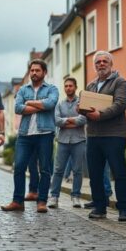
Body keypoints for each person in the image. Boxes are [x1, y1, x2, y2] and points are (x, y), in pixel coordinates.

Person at [2, 59, 59, 213]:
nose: (34, 73)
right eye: (32, 70)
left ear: (44, 72)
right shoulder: (22, 90)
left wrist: (30, 103)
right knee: (19, 167)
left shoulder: (52, 89)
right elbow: (18, 108)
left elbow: (51, 104)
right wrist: (40, 105)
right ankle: (17, 201)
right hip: (25, 135)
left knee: (45, 169)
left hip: (45, 134)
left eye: (37, 70)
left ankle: (42, 201)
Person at [82, 51, 126, 221]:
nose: (101, 64)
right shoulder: (91, 86)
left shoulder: (120, 82)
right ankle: (99, 207)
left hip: (114, 135)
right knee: (95, 174)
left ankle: (124, 208)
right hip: (94, 135)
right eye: (98, 62)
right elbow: (87, 107)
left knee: (119, 172)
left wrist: (100, 115)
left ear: (111, 64)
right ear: (94, 65)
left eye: (105, 61)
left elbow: (120, 104)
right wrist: (81, 110)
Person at [48, 77, 86, 209]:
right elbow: (57, 121)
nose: (68, 88)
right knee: (58, 170)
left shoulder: (82, 102)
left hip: (79, 140)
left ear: (75, 87)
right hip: (63, 141)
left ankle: (76, 196)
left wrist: (66, 122)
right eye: (66, 86)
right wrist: (72, 122)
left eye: (70, 86)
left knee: (77, 171)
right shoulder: (59, 104)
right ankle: (54, 197)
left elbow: (83, 120)